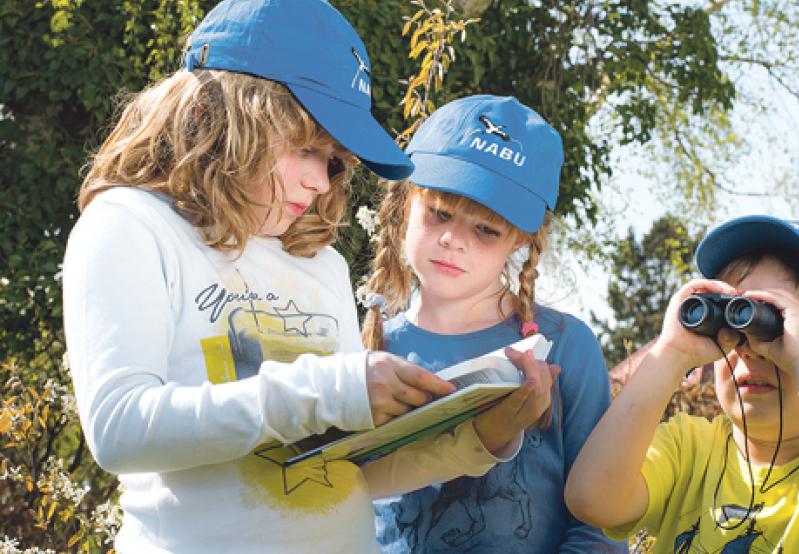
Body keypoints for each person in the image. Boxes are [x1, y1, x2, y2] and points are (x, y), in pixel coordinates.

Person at [62, 1, 555, 552]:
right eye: (306, 150)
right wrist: (329, 390)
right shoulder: (130, 225)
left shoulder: (320, 264)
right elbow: (119, 429)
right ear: (218, 115)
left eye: (335, 161)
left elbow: (345, 471)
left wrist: (480, 438)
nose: (322, 182)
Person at [364, 94, 627, 553]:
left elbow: (598, 522)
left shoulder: (565, 346)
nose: (453, 239)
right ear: (406, 201)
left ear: (521, 239)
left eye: (486, 229)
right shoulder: (369, 353)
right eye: (439, 212)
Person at [566, 216, 799, 552]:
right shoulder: (689, 448)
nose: (752, 349)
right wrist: (671, 352)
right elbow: (593, 500)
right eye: (734, 321)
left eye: (782, 327)